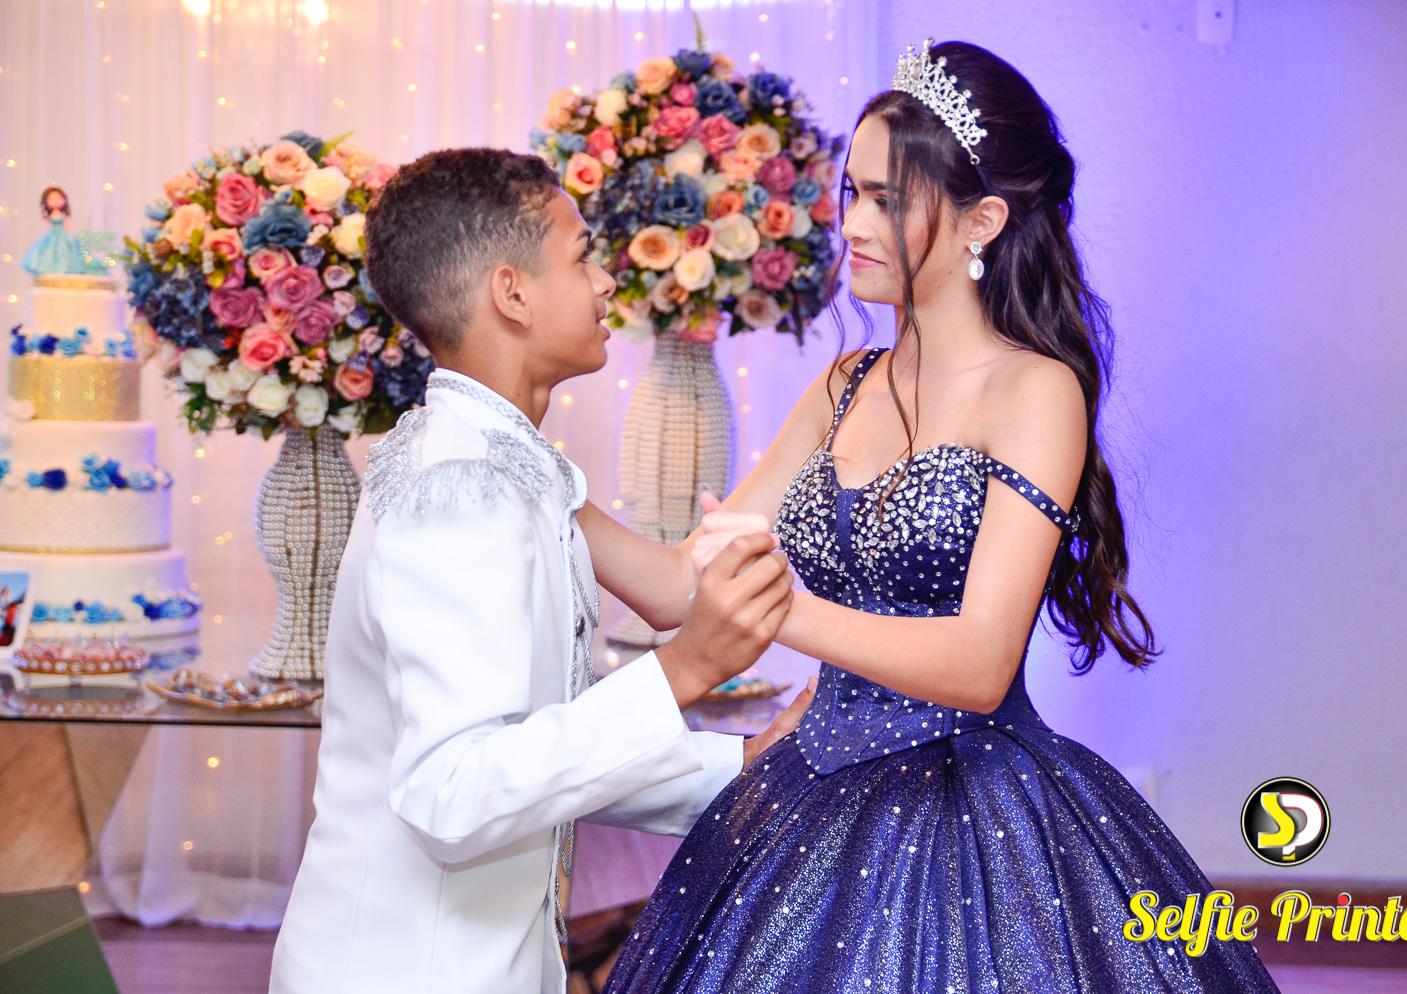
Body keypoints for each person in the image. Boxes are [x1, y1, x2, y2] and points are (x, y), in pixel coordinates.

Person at [592, 40, 1283, 993]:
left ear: (981, 222)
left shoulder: (1035, 391)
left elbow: (978, 663)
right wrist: (550, 491)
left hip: (975, 806)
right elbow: (680, 585)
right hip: (808, 783)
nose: (853, 224)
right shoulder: (844, 385)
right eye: (853, 193)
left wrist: (775, 606)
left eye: (888, 200)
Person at [268, 148, 811, 994]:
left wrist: (738, 766)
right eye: (583, 256)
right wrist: (684, 669)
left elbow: (534, 747)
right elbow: (454, 793)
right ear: (512, 293)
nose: (606, 283)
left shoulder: (510, 462)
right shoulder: (459, 490)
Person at [21, 186, 86, 276]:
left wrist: (71, 235)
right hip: (52, 236)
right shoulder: (50, 215)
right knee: (49, 253)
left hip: (63, 236)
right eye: (51, 199)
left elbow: (67, 226)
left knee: (63, 252)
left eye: (58, 197)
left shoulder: (62, 215)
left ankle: (63, 269)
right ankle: (51, 268)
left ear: (64, 200)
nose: (55, 201)